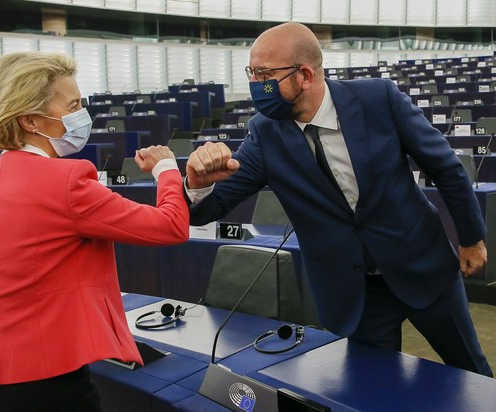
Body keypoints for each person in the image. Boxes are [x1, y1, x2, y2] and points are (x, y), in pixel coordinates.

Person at [185, 22, 492, 377]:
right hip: (355, 292)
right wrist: (196, 185)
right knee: (374, 392)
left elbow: (446, 168)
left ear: (304, 76)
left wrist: (471, 239)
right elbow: (210, 207)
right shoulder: (264, 132)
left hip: (422, 265)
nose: (256, 84)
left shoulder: (379, 99)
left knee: (472, 373)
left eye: (264, 74)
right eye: (251, 73)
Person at [0, 51, 189, 412]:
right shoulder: (67, 181)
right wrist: (166, 171)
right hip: (48, 381)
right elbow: (170, 227)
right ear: (32, 120)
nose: (83, 114)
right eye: (74, 105)